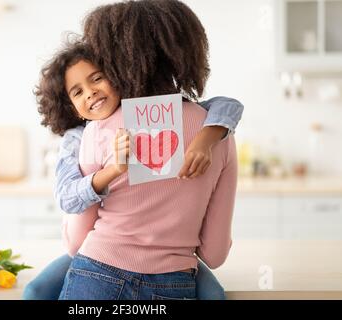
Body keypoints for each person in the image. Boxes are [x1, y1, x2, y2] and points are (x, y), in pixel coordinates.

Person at [23, 0, 242, 300]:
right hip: (172, 284)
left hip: (96, 275)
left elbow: (75, 243)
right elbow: (214, 254)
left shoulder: (97, 132)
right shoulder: (219, 133)